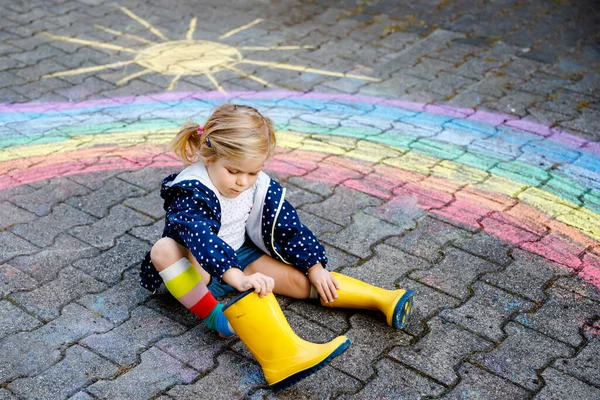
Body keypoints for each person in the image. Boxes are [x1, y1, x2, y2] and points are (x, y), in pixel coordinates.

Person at [139, 104, 415, 387]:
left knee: (302, 281)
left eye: (252, 173)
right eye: (233, 170)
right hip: (200, 272)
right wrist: (238, 277)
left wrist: (315, 266)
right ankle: (230, 327)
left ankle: (383, 300)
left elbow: (287, 227)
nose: (242, 182)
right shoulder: (191, 189)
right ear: (209, 157)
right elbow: (202, 239)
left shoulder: (258, 185)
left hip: (242, 256)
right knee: (163, 249)